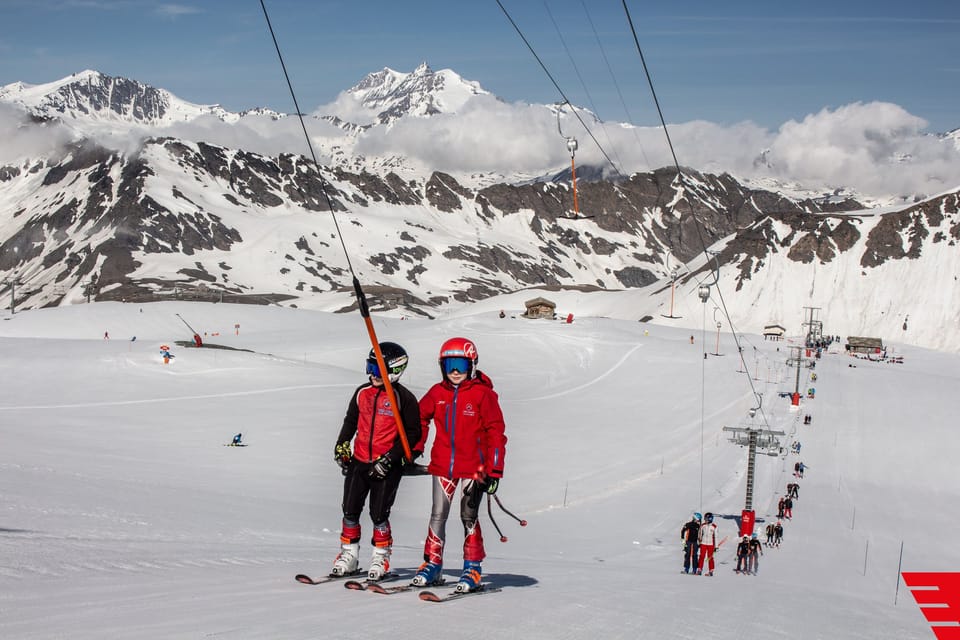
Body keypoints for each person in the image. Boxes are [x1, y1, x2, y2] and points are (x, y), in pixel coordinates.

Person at [411, 337, 507, 593]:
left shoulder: (482, 395)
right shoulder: (437, 393)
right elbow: (419, 418)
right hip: (443, 466)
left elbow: (496, 431)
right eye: (450, 364)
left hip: (474, 470)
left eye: (461, 365)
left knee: (469, 517)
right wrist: (415, 447)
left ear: (472, 365)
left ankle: (472, 567)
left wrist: (494, 469)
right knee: (437, 516)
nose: (455, 371)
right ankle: (432, 564)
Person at [331, 342, 421, 581]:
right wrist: (342, 445)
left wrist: (391, 458)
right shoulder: (363, 392)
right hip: (360, 461)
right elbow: (351, 421)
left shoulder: (404, 399)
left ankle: (381, 556)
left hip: (386, 466)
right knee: (349, 510)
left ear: (395, 370)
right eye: (370, 367)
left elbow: (412, 434)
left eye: (378, 369)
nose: (372, 374)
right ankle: (348, 555)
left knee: (378, 513)